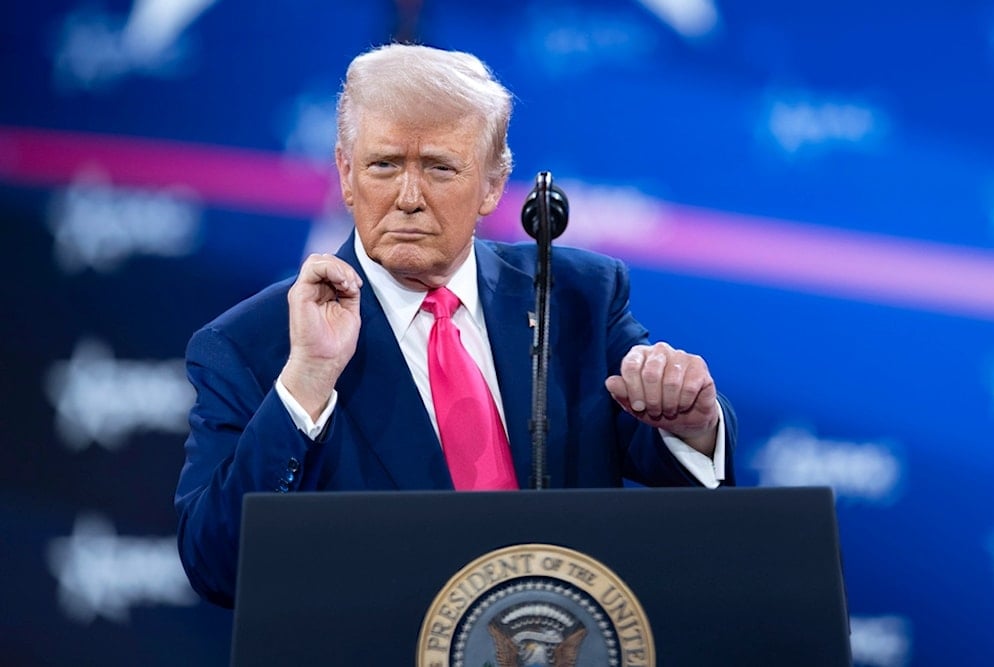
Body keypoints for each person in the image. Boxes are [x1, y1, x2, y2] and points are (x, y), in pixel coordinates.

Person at [175, 43, 737, 608]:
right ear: (346, 174)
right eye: (384, 165)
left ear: (492, 185)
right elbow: (218, 564)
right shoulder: (252, 344)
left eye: (441, 168)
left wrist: (692, 424)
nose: (409, 198)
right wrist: (307, 383)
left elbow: (691, 486)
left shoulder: (576, 297)